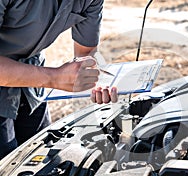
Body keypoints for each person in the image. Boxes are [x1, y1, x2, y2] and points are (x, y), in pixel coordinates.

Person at [0, 0, 118, 159]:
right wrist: (54, 77)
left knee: (39, 156)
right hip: (25, 75)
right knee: (5, 165)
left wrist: (94, 82)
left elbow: (86, 54)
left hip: (32, 85)